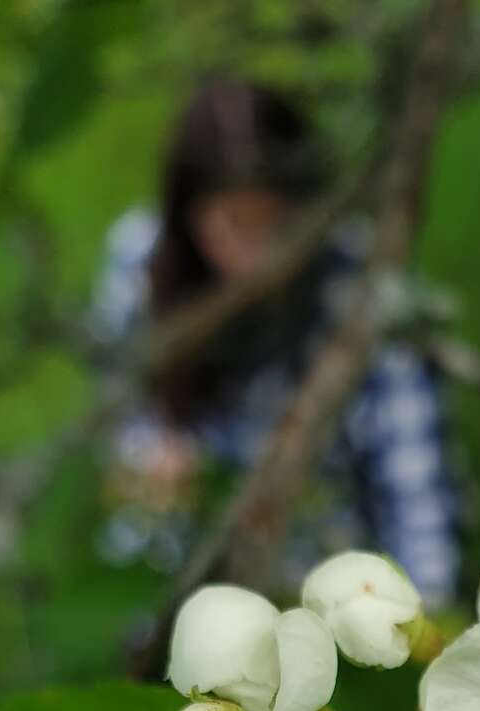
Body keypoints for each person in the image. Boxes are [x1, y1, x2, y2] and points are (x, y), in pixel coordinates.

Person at [91, 75, 460, 603]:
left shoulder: (361, 293)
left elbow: (417, 487)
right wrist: (150, 455)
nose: (260, 257)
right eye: (235, 225)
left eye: (279, 225)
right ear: (188, 216)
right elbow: (119, 411)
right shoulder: (141, 269)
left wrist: (424, 627)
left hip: (327, 582)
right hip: (178, 559)